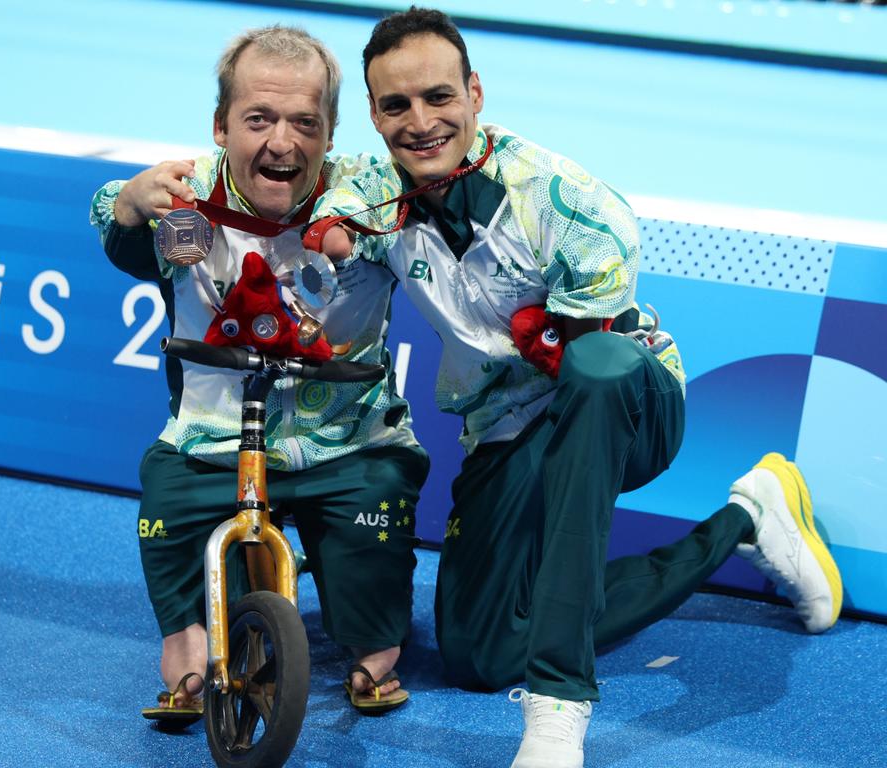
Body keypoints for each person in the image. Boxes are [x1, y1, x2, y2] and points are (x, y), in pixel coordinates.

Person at [309, 8, 843, 767]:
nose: (421, 122)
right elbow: (316, 218)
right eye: (396, 105)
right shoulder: (369, 197)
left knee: (593, 375)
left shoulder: (569, 203)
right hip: (504, 424)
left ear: (476, 93)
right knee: (480, 655)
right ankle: (747, 519)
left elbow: (590, 367)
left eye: (439, 97)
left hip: (625, 402)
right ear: (373, 113)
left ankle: (560, 705)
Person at [89, 25, 428, 724]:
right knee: (168, 499)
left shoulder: (370, 196)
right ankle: (187, 640)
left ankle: (369, 635)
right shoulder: (179, 198)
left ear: (331, 132)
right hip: (213, 443)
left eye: (306, 122)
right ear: (220, 127)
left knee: (373, 635)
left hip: (352, 442)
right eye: (259, 119)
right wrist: (127, 200)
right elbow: (112, 219)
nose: (283, 142)